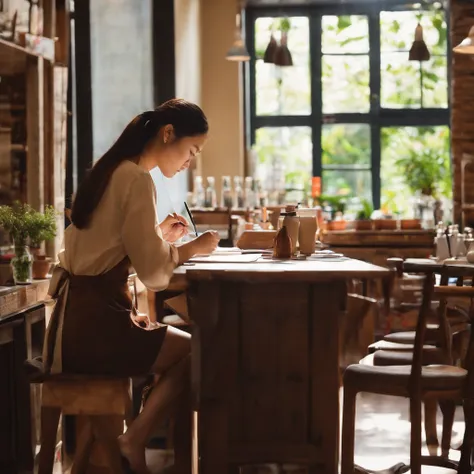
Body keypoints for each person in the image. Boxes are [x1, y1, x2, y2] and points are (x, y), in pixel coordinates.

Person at [43, 99, 220, 474]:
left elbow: (103, 249)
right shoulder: (138, 180)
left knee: (189, 346)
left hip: (73, 324)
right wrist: (193, 247)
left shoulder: (112, 171)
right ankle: (134, 439)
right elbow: (156, 276)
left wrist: (158, 236)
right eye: (191, 150)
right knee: (201, 351)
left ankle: (125, 442)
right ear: (167, 133)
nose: (191, 160)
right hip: (96, 328)